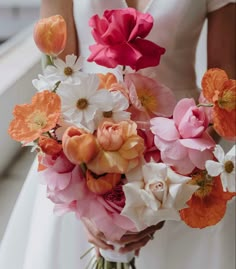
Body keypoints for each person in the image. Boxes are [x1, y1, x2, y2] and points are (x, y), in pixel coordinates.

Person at [0, 1, 235, 268]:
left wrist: (168, 195)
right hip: (80, 155)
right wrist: (87, 206)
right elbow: (57, 82)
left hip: (183, 160)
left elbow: (225, 92)